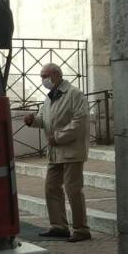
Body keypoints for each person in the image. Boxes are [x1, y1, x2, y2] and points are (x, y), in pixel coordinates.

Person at [24, 63, 91, 243]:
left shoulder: (74, 94)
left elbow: (80, 122)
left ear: (55, 74)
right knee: (51, 187)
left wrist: (59, 137)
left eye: (44, 76)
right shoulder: (49, 98)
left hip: (71, 150)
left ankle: (81, 229)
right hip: (55, 152)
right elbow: (46, 121)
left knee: (73, 189)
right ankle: (59, 226)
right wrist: (33, 121)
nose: (42, 80)